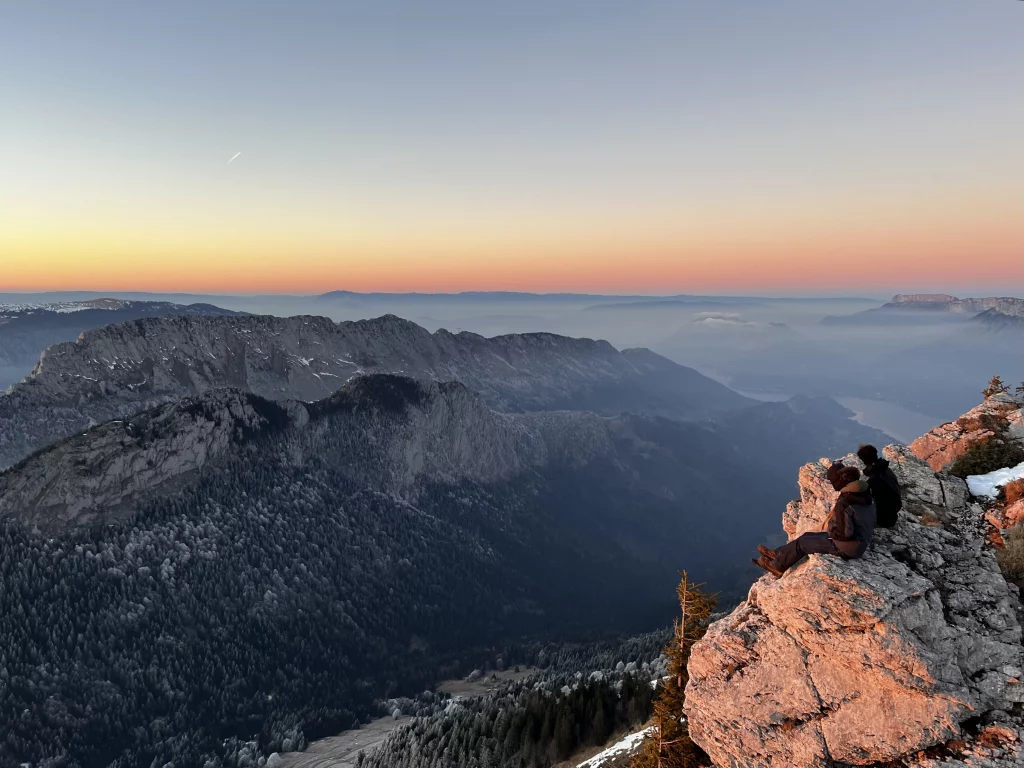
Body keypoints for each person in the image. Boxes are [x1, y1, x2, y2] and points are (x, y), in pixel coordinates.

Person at [753, 463, 876, 576]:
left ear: (841, 482)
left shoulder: (846, 502)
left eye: (833, 482)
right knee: (807, 536)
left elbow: (845, 534)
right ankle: (778, 554)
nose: (834, 486)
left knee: (803, 543)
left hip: (848, 548)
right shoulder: (863, 493)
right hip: (860, 541)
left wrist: (832, 531)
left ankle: (777, 567)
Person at [857, 444, 902, 528]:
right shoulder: (886, 470)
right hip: (892, 516)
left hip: (884, 520)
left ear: (864, 460)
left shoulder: (875, 478)